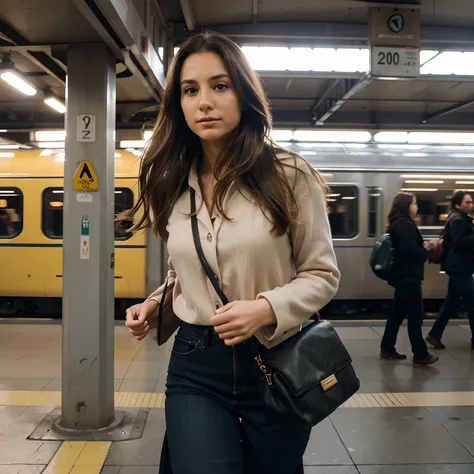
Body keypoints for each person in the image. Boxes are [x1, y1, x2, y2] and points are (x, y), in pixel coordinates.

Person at [122, 31, 340, 474]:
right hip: (196, 362)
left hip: (276, 358)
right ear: (178, 104)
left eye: (219, 86)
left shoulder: (288, 175)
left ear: (243, 93)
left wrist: (265, 309)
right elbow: (183, 270)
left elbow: (322, 274)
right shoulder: (171, 183)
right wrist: (153, 303)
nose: (204, 101)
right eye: (190, 89)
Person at [380, 192, 439, 365]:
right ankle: (420, 354)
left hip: (402, 276)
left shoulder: (397, 223)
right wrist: (425, 250)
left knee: (397, 313)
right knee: (415, 316)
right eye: (414, 204)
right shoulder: (405, 224)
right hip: (408, 276)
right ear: (407, 206)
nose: (417, 207)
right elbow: (409, 251)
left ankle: (387, 348)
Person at [427, 190, 474, 350]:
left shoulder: (460, 218)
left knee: (452, 302)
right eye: (467, 202)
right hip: (460, 267)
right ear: (457, 204)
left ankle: (434, 335)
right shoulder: (458, 220)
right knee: (472, 303)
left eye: (471, 202)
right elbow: (459, 242)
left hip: (457, 266)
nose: (471, 204)